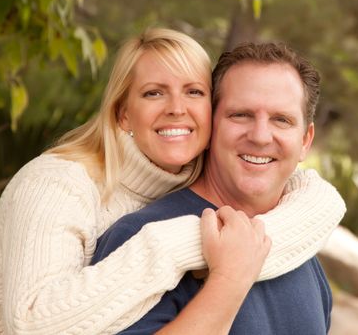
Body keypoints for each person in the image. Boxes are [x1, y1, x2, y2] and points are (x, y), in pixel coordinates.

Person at [0, 29, 345, 335]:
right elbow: (31, 322)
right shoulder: (61, 186)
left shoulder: (293, 241)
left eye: (192, 92)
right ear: (122, 113)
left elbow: (315, 198)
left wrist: (322, 208)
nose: (177, 109)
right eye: (154, 93)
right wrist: (200, 257)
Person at [94, 41, 336, 334]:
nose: (260, 136)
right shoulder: (139, 236)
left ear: (305, 142)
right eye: (241, 115)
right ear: (211, 125)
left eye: (281, 120)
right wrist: (228, 280)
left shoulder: (301, 252)